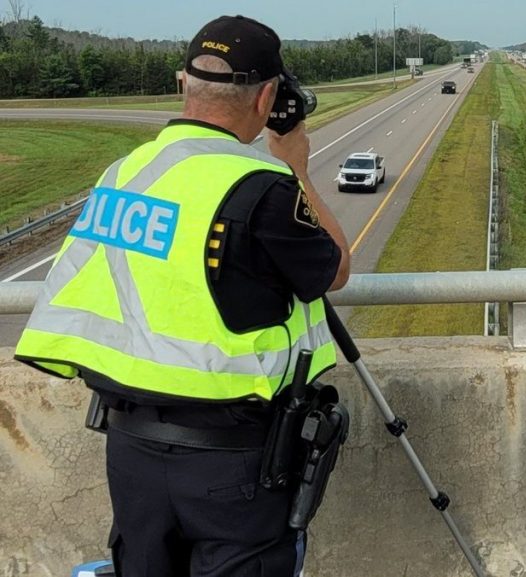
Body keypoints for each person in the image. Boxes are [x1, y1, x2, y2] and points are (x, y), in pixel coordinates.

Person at [15, 15, 350, 576]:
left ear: (181, 85)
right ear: (268, 96)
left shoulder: (123, 173)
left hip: (130, 450)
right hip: (232, 462)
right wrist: (295, 169)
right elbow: (335, 269)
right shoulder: (261, 186)